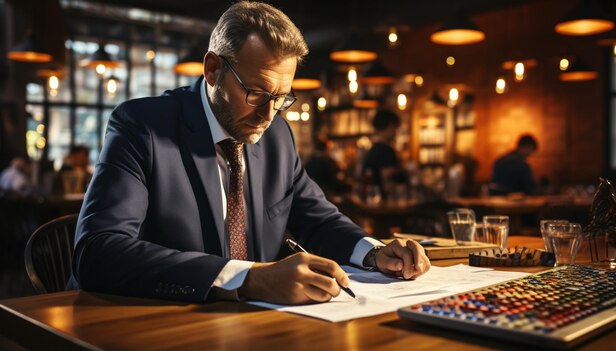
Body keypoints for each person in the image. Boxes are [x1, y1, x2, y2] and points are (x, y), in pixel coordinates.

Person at [71, 2, 429, 306]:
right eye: (256, 93)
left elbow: (318, 219)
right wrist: (249, 278)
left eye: (282, 98)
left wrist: (372, 252)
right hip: (148, 322)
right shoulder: (142, 126)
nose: (269, 114)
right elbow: (98, 251)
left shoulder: (277, 137)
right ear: (212, 69)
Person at [360, 109, 406, 200]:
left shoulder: (371, 150)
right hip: (385, 204)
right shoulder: (386, 150)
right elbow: (387, 182)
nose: (396, 132)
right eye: (395, 128)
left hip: (370, 202)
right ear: (389, 126)